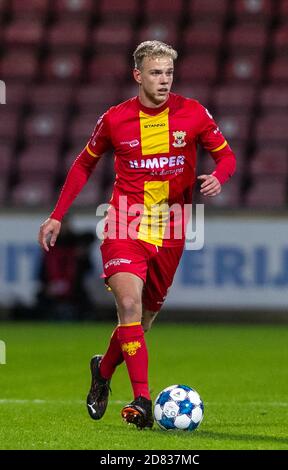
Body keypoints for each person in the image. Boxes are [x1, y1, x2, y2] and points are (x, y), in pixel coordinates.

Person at [38, 40, 236, 429]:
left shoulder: (192, 113)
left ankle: (103, 370)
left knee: (141, 324)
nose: (164, 80)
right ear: (138, 76)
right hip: (124, 224)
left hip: (174, 227)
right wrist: (57, 215)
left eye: (168, 73)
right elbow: (83, 166)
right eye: (156, 73)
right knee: (128, 308)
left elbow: (226, 155)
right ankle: (142, 400)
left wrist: (218, 177)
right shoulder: (115, 119)